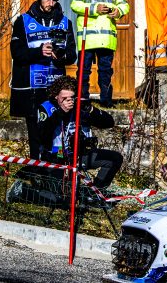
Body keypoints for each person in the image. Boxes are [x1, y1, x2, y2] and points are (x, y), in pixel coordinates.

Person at [7, 76, 122, 206]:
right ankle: (23, 191)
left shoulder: (79, 108)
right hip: (56, 158)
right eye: (64, 98)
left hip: (79, 155)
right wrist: (61, 112)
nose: (69, 101)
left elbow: (109, 122)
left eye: (71, 98)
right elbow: (42, 135)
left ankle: (93, 194)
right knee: (64, 200)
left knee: (114, 158)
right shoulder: (46, 108)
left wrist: (90, 109)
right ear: (56, 96)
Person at [9, 0, 77, 156]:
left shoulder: (65, 22)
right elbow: (17, 52)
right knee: (35, 133)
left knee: (56, 131)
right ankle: (36, 165)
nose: (51, 3)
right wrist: (39, 51)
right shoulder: (23, 21)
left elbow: (72, 55)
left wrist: (61, 56)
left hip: (55, 87)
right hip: (32, 89)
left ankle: (54, 165)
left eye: (54, 0)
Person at [69, 0, 129, 105]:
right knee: (83, 71)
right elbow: (74, 4)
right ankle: (82, 100)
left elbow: (124, 4)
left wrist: (118, 11)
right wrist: (95, 9)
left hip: (106, 38)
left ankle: (106, 101)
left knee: (105, 71)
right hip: (88, 37)